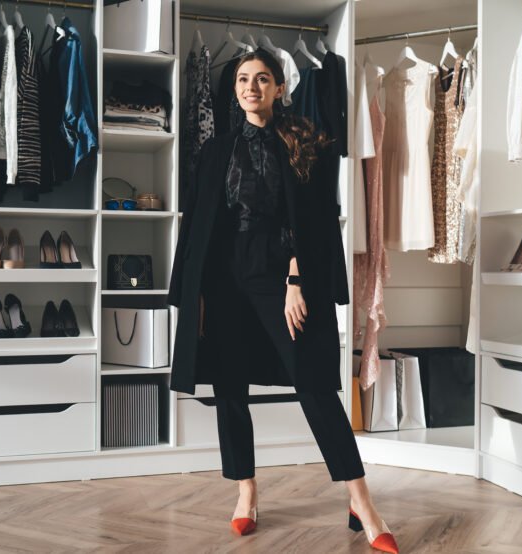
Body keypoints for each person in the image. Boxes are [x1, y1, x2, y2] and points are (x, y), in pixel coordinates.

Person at [167, 49, 398, 553]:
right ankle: (246, 492)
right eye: (243, 79)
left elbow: (315, 221)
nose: (251, 87)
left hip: (281, 273)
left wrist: (298, 278)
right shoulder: (215, 150)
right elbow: (197, 223)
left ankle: (361, 500)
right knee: (230, 386)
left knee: (314, 383)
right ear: (234, 89)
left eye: (262, 79)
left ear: (278, 88)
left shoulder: (303, 141)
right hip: (224, 278)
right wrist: (194, 292)